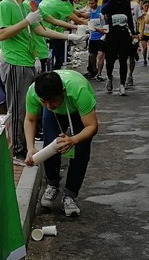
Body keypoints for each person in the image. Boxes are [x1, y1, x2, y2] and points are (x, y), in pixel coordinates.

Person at [0, 0, 84, 165]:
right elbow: (0, 34)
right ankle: (18, 151)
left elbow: (41, 30)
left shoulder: (26, 7)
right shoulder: (4, 6)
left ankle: (25, 146)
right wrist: (25, 22)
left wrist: (69, 35)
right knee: (18, 109)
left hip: (28, 61)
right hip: (14, 62)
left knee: (27, 108)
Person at [24, 70, 99, 218]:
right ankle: (52, 184)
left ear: (63, 92)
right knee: (50, 146)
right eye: (43, 102)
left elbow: (92, 126)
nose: (48, 105)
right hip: (55, 117)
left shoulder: (79, 91)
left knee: (81, 152)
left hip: (77, 111)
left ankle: (70, 194)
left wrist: (73, 140)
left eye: (52, 101)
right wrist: (30, 148)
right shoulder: (34, 92)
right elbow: (30, 120)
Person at [39, 0, 84, 70]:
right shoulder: (60, 4)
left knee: (46, 65)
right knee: (56, 64)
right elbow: (78, 20)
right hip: (51, 36)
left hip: (42, 37)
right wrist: (92, 26)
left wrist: (74, 28)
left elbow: (53, 20)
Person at [101, 0, 135, 95]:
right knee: (110, 60)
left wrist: (134, 32)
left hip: (124, 33)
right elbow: (104, 11)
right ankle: (109, 77)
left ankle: (122, 84)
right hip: (111, 34)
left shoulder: (126, 0)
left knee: (123, 59)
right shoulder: (107, 0)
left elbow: (129, 17)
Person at [85, 0, 106, 81]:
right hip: (92, 37)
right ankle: (94, 69)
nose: (91, 5)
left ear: (96, 2)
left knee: (101, 55)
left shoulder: (102, 10)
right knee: (92, 55)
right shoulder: (88, 12)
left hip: (102, 37)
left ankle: (99, 73)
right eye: (89, 3)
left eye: (92, 3)